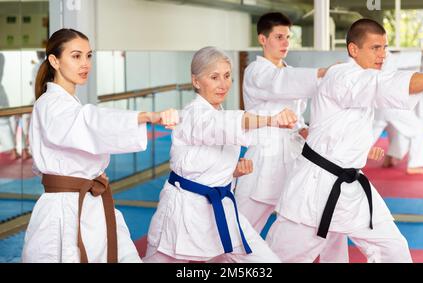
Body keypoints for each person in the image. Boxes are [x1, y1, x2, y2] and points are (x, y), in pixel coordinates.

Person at [266, 19, 423, 263]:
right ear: (354, 49)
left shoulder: (366, 75)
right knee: (279, 259)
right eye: (375, 48)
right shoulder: (341, 76)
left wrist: (362, 149)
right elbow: (380, 86)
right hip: (316, 188)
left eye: (384, 48)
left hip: (352, 186)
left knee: (393, 249)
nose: (382, 55)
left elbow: (383, 88)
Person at [21, 28, 179, 263]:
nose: (85, 63)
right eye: (76, 56)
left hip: (93, 201)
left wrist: (88, 172)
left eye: (88, 56)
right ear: (54, 60)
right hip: (63, 211)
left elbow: (85, 131)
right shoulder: (49, 104)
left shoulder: (68, 104)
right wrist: (145, 117)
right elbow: (89, 122)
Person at [143, 46, 298, 263]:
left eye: (227, 76)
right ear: (196, 81)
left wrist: (233, 170)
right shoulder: (192, 115)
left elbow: (205, 160)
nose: (223, 84)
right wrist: (270, 119)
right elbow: (223, 126)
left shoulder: (220, 112)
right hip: (183, 213)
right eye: (214, 77)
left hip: (221, 210)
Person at [233, 12, 349, 263]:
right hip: (264, 158)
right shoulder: (256, 71)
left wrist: (305, 128)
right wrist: (322, 72)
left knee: (320, 214)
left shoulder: (291, 71)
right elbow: (280, 83)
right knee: (240, 227)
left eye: (288, 37)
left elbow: (300, 110)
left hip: (296, 155)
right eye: (278, 37)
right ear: (263, 39)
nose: (285, 42)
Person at [372, 51, 423, 174]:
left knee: (371, 136)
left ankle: (389, 158)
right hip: (392, 105)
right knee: (417, 129)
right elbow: (407, 59)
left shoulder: (371, 58)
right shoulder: (389, 57)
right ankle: (415, 164)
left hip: (377, 105)